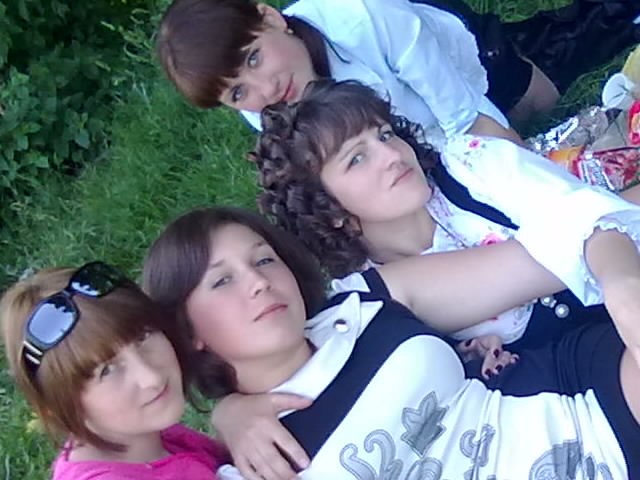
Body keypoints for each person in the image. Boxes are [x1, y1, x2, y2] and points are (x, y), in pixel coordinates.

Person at [142, 206, 640, 480]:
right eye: (221, 281)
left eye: (264, 259)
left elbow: (573, 240)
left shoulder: (364, 302)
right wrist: (228, 412)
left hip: (589, 411)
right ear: (189, 331)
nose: (257, 282)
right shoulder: (257, 464)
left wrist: (622, 286)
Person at [254, 79, 640, 350]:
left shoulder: (469, 164)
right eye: (357, 158)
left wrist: (620, 282)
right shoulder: (367, 302)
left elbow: (583, 212)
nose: (391, 155)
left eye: (385, 134)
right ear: (326, 207)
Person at [156, 0, 640, 146]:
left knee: (535, 99)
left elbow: (467, 119)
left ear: (269, 17)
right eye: (237, 93)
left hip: (446, 49)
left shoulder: (361, 16)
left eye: (254, 58)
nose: (265, 90)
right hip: (406, 115)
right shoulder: (264, 109)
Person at [0, 262, 227, 480]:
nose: (151, 378)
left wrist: (232, 413)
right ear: (58, 404)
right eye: (106, 370)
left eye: (143, 336)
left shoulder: (149, 439)